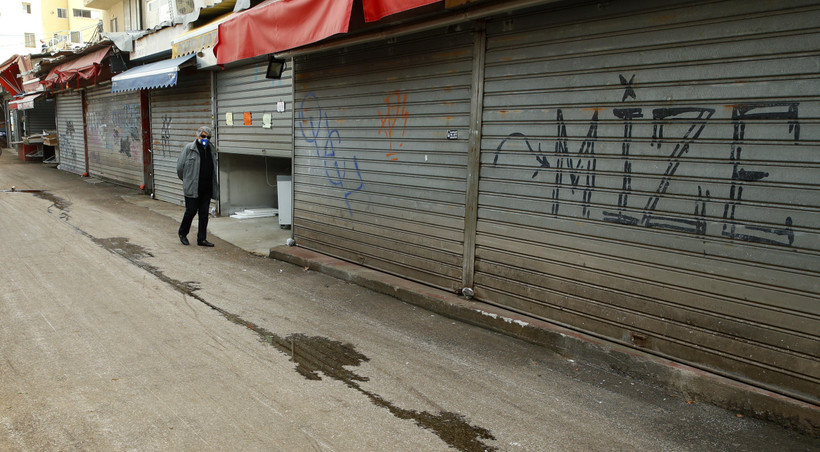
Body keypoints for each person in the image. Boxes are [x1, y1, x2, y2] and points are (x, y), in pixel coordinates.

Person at [177, 126, 219, 247]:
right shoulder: (189, 149)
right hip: (192, 188)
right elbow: (180, 168)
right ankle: (182, 233)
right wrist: (186, 181)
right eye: (203, 136)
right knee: (191, 211)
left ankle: (202, 239)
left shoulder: (211, 150)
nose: (205, 139)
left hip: (206, 188)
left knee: (204, 214)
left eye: (208, 137)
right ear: (198, 136)